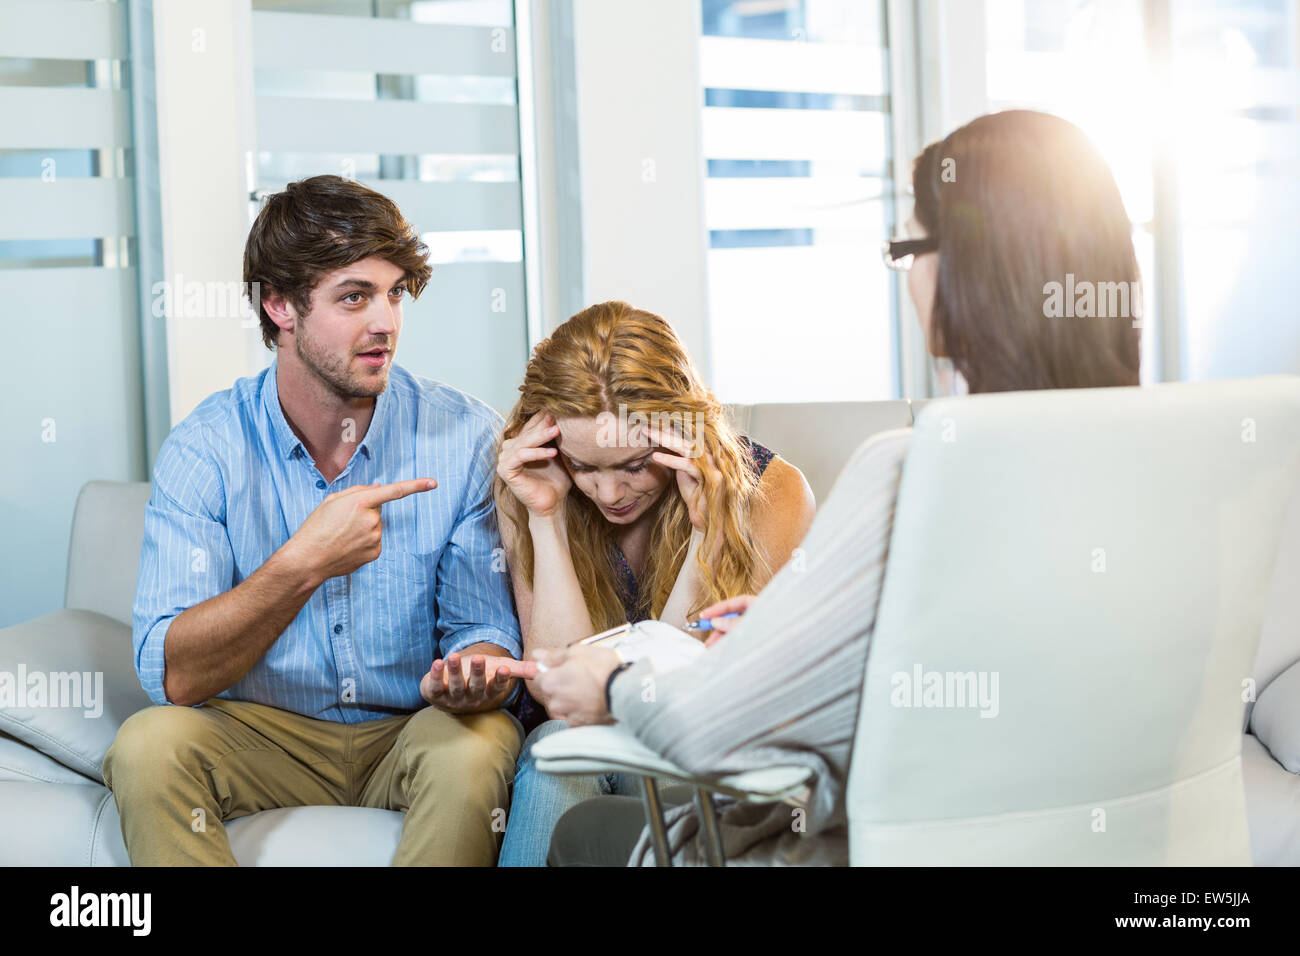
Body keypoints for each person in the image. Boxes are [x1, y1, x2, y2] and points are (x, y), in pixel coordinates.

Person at [535, 109, 1143, 865]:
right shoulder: (1173, 471)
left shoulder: (909, 476)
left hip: (895, 847)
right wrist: (818, 630)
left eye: (909, 249)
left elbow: (709, 730)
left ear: (965, 273)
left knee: (581, 838)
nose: (910, 278)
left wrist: (618, 678)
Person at [102, 175, 530, 866]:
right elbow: (174, 676)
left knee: (480, 747)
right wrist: (303, 565)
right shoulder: (206, 449)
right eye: (354, 297)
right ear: (280, 307)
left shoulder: (466, 437)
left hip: (414, 728)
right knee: (148, 746)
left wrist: (475, 669)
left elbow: (483, 627)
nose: (385, 321)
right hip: (262, 735)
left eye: (395, 293)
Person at [493, 301, 817, 866]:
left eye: (636, 463)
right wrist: (546, 518)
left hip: (702, 744)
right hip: (582, 737)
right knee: (556, 748)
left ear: (682, 430)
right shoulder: (533, 484)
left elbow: (681, 692)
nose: (610, 493)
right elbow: (559, 694)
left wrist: (705, 536)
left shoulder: (774, 491)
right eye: (584, 466)